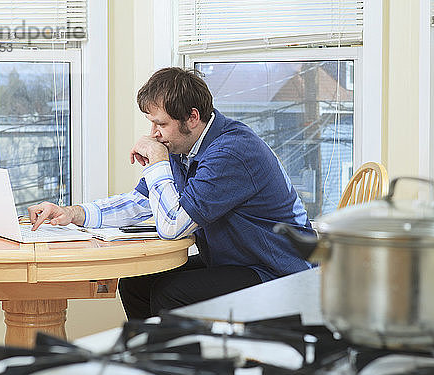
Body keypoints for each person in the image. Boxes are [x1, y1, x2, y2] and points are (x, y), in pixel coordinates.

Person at [28, 67, 315, 320]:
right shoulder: (183, 147)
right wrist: (72, 213)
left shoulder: (231, 153)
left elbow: (172, 227)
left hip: (279, 273)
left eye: (161, 124)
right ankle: (149, 365)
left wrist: (157, 164)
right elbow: (140, 202)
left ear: (192, 118)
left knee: (172, 293)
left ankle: (176, 371)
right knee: (136, 282)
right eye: (151, 123)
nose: (153, 134)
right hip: (238, 261)